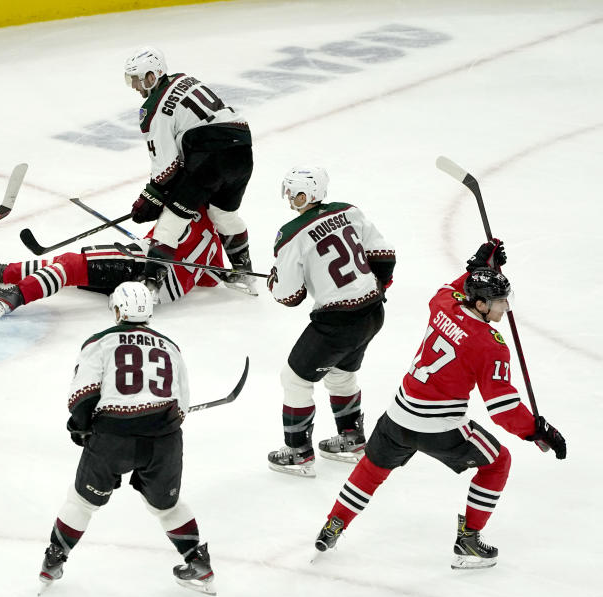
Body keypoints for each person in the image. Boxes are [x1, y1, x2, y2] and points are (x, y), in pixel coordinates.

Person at [313, 240, 566, 569]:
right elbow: (502, 409)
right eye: (498, 300)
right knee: (498, 462)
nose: (505, 307)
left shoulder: (443, 305)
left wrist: (476, 268)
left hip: (399, 415)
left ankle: (334, 524)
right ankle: (468, 541)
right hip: (440, 428)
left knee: (371, 470)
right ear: (479, 304)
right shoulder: (489, 346)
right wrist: (537, 430)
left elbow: (451, 288)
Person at [37, 281, 215, 596]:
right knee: (168, 506)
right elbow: (182, 404)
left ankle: (54, 559)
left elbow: (82, 395)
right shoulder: (170, 346)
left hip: (113, 438)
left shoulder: (100, 342)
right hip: (164, 440)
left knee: (81, 501)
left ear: (118, 309)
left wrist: (80, 426)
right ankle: (196, 561)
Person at [266, 166, 395, 477]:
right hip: (373, 312)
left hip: (337, 323)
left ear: (311, 193)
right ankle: (351, 440)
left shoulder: (290, 235)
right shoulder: (349, 212)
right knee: (340, 374)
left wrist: (275, 281)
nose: (291, 199)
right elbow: (384, 255)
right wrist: (376, 286)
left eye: (295, 193)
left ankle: (298, 452)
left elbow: (290, 296)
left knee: (295, 379)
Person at [123, 45, 256, 295]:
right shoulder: (185, 79)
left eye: (136, 79)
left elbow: (166, 169)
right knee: (223, 214)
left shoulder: (152, 110)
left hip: (211, 158)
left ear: (152, 76)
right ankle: (243, 269)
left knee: (170, 221)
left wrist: (149, 198)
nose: (134, 86)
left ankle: (150, 284)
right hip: (242, 149)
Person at [0, 208, 226, 318]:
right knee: (77, 268)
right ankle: (2, 272)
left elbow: (163, 241)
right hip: (161, 294)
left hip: (143, 267)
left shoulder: (182, 208)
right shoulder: (214, 235)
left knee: (70, 266)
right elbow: (210, 279)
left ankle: (13, 297)